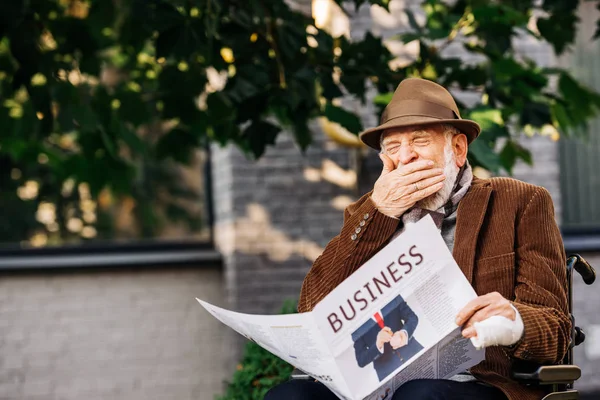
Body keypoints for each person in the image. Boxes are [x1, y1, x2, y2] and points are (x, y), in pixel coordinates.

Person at [264, 78, 571, 400]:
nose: (406, 156)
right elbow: (312, 308)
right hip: (373, 381)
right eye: (393, 148)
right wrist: (380, 211)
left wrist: (514, 321)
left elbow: (556, 328)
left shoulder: (519, 201)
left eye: (420, 141)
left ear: (458, 149)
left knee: (419, 394)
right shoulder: (368, 212)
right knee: (290, 395)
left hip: (475, 383)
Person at [352, 294, 423, 381]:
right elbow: (361, 360)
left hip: (415, 353)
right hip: (388, 373)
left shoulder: (391, 295)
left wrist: (404, 333)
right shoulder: (353, 322)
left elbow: (412, 318)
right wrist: (378, 345)